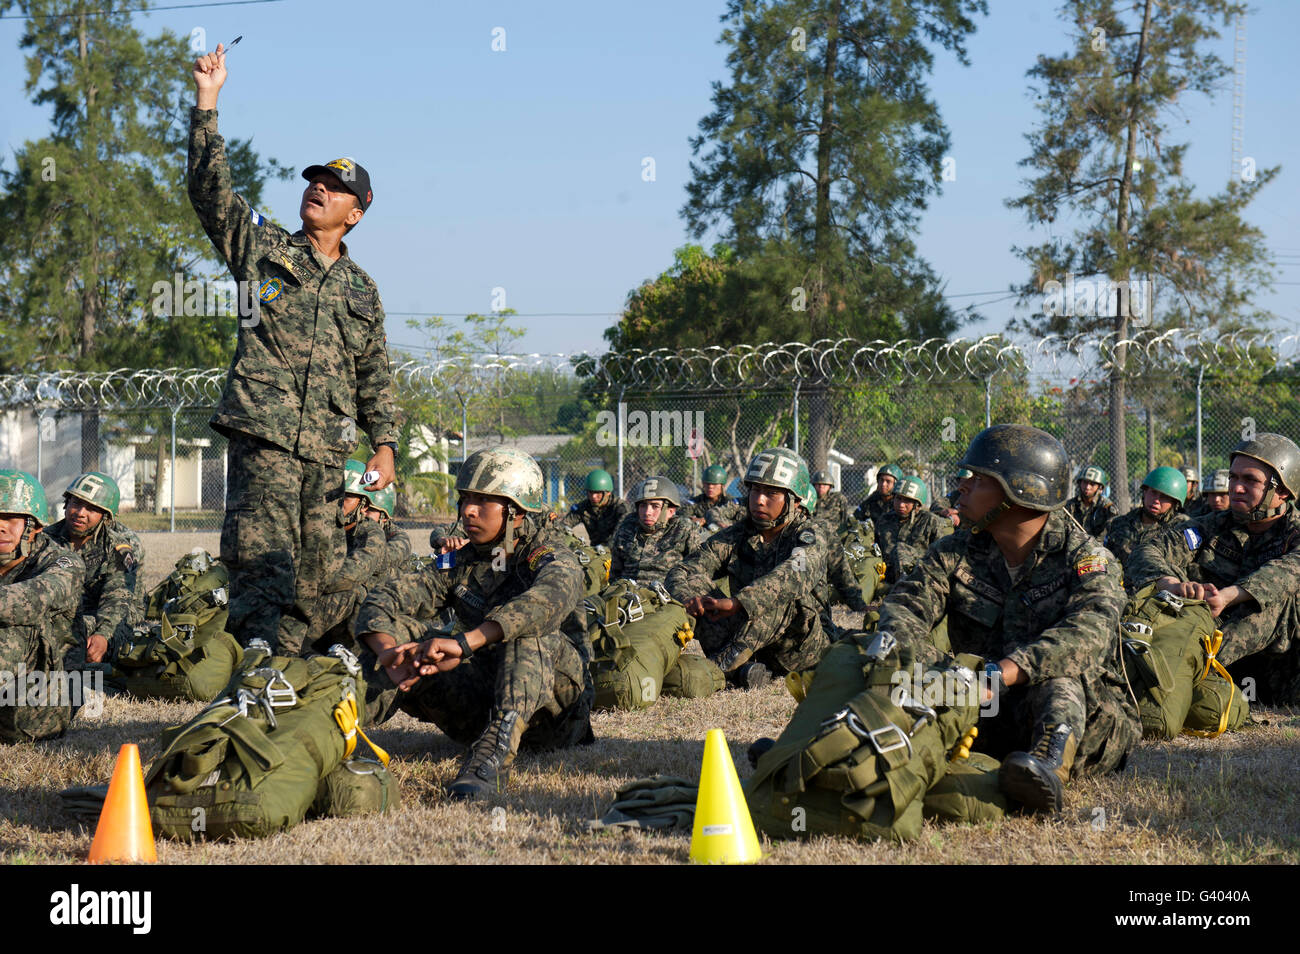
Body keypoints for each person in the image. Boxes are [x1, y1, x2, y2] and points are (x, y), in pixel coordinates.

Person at [190, 44, 399, 655]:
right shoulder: (265, 251)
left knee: (319, 577)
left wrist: (384, 444)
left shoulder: (363, 289)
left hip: (328, 456)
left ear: (354, 214)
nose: (317, 191)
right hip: (267, 439)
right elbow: (210, 193)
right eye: (314, 182)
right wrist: (209, 99)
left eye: (333, 189)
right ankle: (252, 677)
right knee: (261, 567)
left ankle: (302, 679)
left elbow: (374, 376)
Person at [875, 425, 1138, 815]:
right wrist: (942, 673)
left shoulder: (1085, 557)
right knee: (884, 662)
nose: (961, 487)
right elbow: (902, 609)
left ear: (1020, 493)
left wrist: (1002, 674)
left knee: (1060, 674)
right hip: (981, 707)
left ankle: (1047, 769)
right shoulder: (956, 550)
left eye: (978, 480)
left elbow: (1090, 631)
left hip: (1085, 721)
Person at [354, 448, 593, 801]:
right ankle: (335, 724)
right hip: (482, 702)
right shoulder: (463, 559)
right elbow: (385, 598)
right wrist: (389, 652)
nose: (468, 510)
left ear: (515, 509)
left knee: (524, 627)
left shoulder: (549, 550)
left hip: (553, 715)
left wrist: (464, 643)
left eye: (483, 501)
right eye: (466, 499)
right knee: (407, 636)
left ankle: (492, 757)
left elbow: (547, 598)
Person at [666, 448, 866, 688]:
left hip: (801, 649)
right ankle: (743, 672)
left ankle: (719, 668)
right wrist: (689, 598)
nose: (759, 500)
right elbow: (684, 570)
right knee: (698, 586)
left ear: (794, 500)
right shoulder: (737, 535)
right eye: (755, 490)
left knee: (784, 594)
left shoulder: (810, 535)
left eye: (771, 493)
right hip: (752, 643)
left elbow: (795, 572)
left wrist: (740, 602)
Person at [1126, 434, 1300, 704]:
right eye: (1234, 478)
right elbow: (1146, 551)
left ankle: (1183, 669)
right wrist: (1170, 583)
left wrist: (1230, 596)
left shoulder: (1295, 533)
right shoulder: (1209, 527)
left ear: (1283, 491)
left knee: (1282, 598)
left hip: (1281, 673)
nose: (1236, 488)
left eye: (1250, 480)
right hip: (1219, 664)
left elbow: (1286, 571)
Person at [0, 471, 86, 742]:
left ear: (34, 526)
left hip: (40, 706)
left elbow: (31, 600)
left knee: (13, 627)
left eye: (10, 519)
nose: (0, 527)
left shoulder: (64, 563)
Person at [306, 461, 413, 655]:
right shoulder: (323, 525)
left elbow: (360, 568)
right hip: (318, 600)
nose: (337, 505)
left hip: (366, 604)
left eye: (346, 498)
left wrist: (308, 585)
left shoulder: (377, 535)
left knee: (357, 592)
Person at [44, 472, 144, 667]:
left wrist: (103, 636)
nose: (80, 512)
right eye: (76, 503)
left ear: (105, 516)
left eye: (91, 508)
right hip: (63, 611)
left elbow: (117, 599)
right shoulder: (46, 540)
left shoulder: (118, 549)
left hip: (111, 615)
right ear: (66, 503)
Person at [609, 476, 701, 584]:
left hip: (666, 595)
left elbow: (696, 572)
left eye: (655, 506)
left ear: (670, 511)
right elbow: (615, 572)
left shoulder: (684, 529)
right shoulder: (628, 526)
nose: (647, 512)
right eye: (643, 505)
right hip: (629, 594)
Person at [1102, 466, 1190, 572]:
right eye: (1153, 492)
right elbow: (1106, 560)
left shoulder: (1182, 528)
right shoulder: (1120, 523)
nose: (1156, 500)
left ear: (1174, 502)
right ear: (1145, 492)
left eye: (1164, 496)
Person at [875, 476, 953, 584]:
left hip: (919, 576)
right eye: (898, 499)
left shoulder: (931, 521)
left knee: (900, 549)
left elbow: (942, 558)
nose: (901, 504)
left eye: (907, 500)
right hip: (887, 574)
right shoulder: (884, 520)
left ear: (917, 504)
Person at [560, 469, 631, 547]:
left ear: (608, 492)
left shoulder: (621, 508)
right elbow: (563, 526)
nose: (593, 496)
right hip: (596, 551)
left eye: (598, 493)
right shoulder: (583, 507)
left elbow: (623, 533)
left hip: (618, 550)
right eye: (590, 492)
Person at [1064, 465, 1117, 539]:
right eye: (1085, 482)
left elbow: (1115, 532)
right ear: (1079, 483)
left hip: (1098, 549)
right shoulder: (1069, 506)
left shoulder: (1106, 508)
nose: (1087, 487)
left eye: (1092, 484)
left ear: (1100, 488)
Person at [810, 470, 853, 536]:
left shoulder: (838, 499)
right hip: (812, 533)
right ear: (814, 485)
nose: (821, 487)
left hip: (833, 535)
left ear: (830, 486)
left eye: (824, 484)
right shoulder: (809, 499)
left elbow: (845, 519)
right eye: (818, 484)